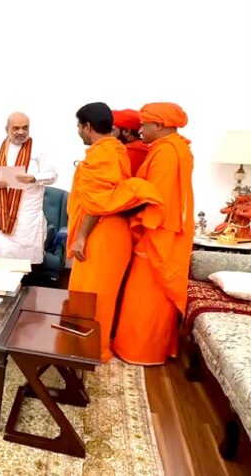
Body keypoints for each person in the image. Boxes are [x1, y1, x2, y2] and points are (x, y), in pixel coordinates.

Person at [67, 102, 163, 362]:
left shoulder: (103, 154)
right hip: (109, 231)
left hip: (101, 233)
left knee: (92, 298)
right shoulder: (116, 148)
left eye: (79, 126)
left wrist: (81, 237)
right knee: (93, 296)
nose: (78, 130)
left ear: (87, 126)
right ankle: (83, 348)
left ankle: (89, 352)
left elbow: (97, 203)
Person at [113, 103, 194, 365]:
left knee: (145, 297)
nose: (140, 130)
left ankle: (142, 351)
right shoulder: (172, 147)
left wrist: (137, 225)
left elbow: (157, 199)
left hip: (157, 233)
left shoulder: (167, 153)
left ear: (159, 125)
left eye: (144, 125)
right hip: (163, 231)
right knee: (147, 296)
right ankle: (150, 348)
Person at [0, 112, 57, 263]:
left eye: (25, 128)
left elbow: (52, 175)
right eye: (16, 128)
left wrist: (34, 178)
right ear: (6, 129)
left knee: (25, 259)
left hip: (26, 214)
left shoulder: (39, 149)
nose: (21, 132)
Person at [112, 109, 149, 175]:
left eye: (112, 130)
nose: (108, 134)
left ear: (126, 131)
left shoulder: (131, 151)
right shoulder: (144, 147)